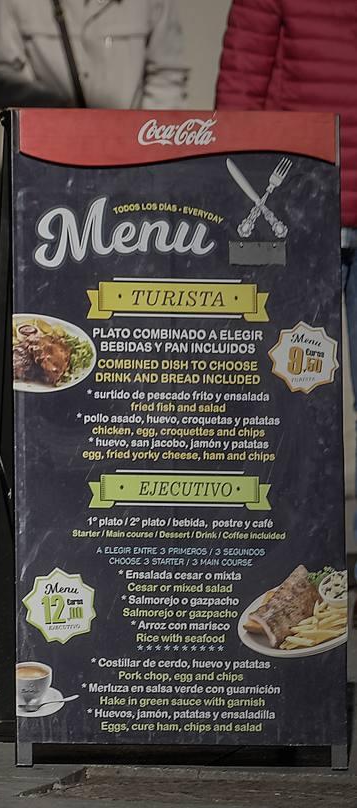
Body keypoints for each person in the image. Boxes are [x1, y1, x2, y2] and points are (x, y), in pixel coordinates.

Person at [215, 1, 357, 515]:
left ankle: (282, 552)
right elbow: (241, 91)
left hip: (298, 199)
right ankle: (278, 549)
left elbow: (239, 88)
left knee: (280, 399)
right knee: (278, 397)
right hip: (298, 207)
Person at [0, 0, 188, 109]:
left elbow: (167, 77)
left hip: (129, 165)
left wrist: (143, 147)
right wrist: (51, 109)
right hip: (44, 161)